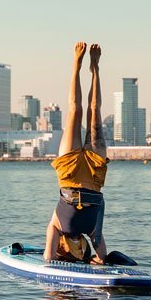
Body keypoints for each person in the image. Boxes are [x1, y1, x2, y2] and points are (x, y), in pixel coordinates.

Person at [45, 42, 109, 264]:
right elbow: (48, 258)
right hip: (79, 173)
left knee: (85, 111)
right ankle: (88, 67)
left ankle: (87, 66)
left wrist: (96, 260)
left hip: (82, 174)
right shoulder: (65, 227)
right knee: (83, 110)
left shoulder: (88, 232)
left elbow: (103, 258)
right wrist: (98, 261)